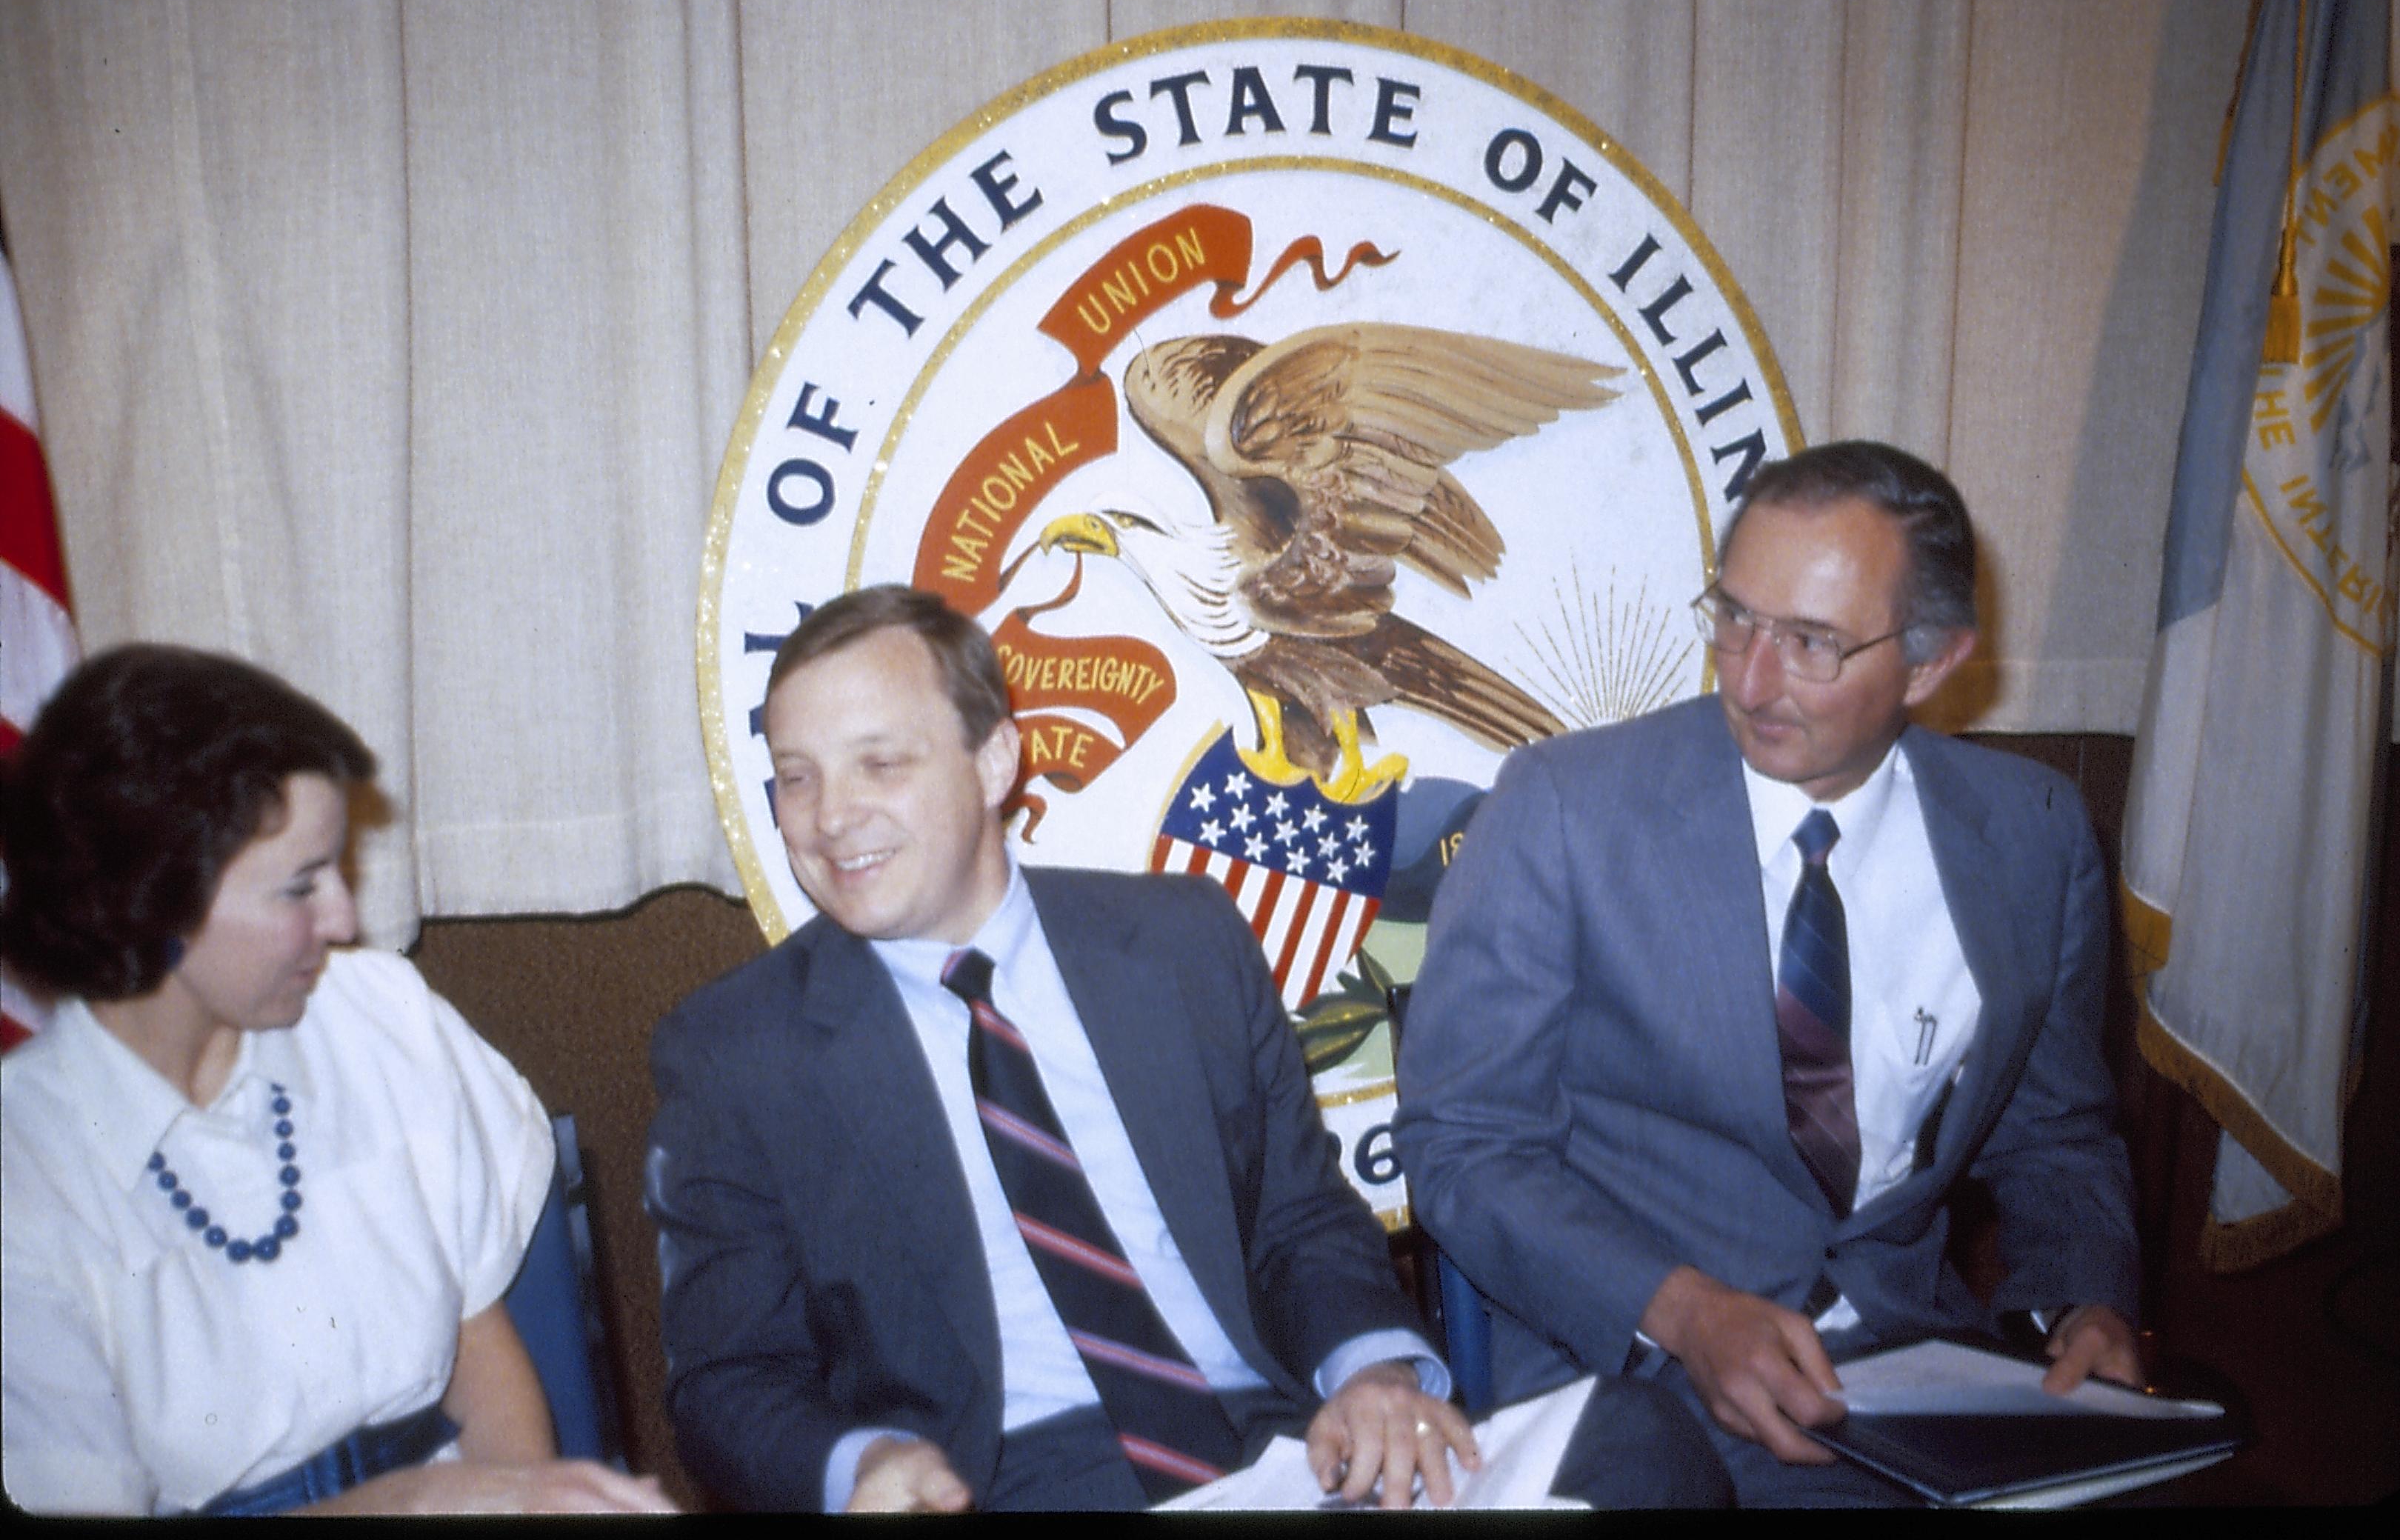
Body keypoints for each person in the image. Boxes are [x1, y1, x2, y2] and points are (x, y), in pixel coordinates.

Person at [644, 584, 1724, 1512]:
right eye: (796, 776)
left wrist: (1377, 1370)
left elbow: (1300, 1226)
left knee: (1640, 1444)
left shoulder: (1181, 942)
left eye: (879, 762)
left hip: (1288, 1456)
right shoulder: (738, 1053)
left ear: (995, 761)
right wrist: (862, 1461)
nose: (830, 817)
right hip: (1008, 1484)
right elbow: (729, 1383)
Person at [1391, 441, 2142, 1506]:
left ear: (1929, 664)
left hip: (1914, 1357)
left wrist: (2084, 1305)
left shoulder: (2036, 834)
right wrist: (1687, 1309)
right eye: (1735, 616)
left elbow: (2055, 1132)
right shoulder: (1566, 808)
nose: (1750, 678)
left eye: (1812, 644)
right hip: (1632, 1372)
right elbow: (1462, 1143)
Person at [0, 644, 675, 1516]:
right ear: (154, 903)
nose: (345, 917)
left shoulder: (374, 1015)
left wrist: (523, 1497)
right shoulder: (25, 1172)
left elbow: (479, 1346)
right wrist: (413, 1504)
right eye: (299, 887)